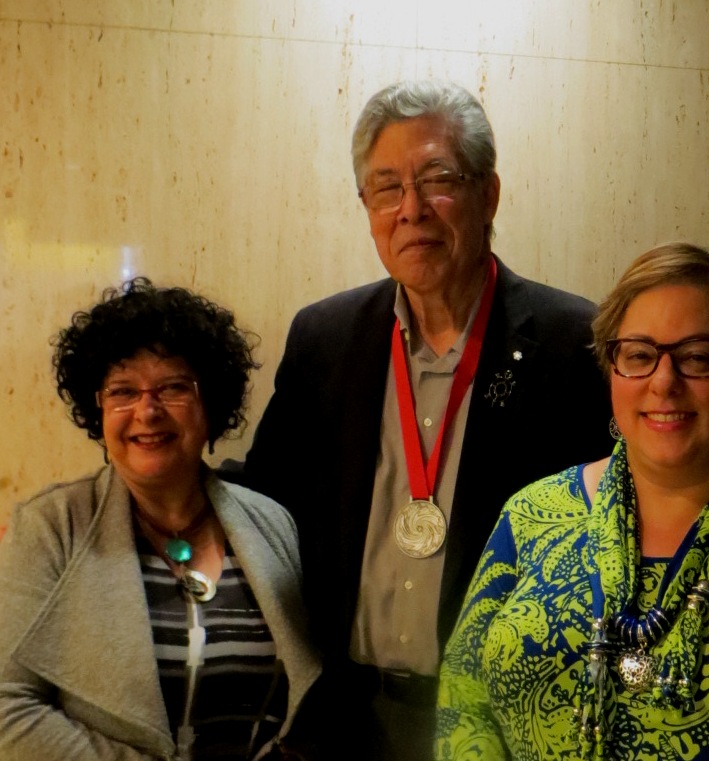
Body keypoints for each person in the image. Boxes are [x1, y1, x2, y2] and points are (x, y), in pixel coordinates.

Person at [239, 80, 613, 760]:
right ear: (367, 208)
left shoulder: (572, 344)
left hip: (499, 726)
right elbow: (266, 504)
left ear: (487, 194)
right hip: (342, 721)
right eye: (386, 188)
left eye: (437, 180)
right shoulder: (325, 338)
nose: (410, 209)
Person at [436, 242, 709, 760]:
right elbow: (463, 697)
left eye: (697, 357)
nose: (664, 382)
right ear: (612, 370)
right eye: (638, 355)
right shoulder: (531, 515)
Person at [0, 278, 321, 761]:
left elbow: (303, 702)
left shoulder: (271, 523)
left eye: (173, 387)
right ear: (98, 410)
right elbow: (8, 708)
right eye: (123, 391)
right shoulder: (51, 527)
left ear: (210, 405)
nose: (146, 411)